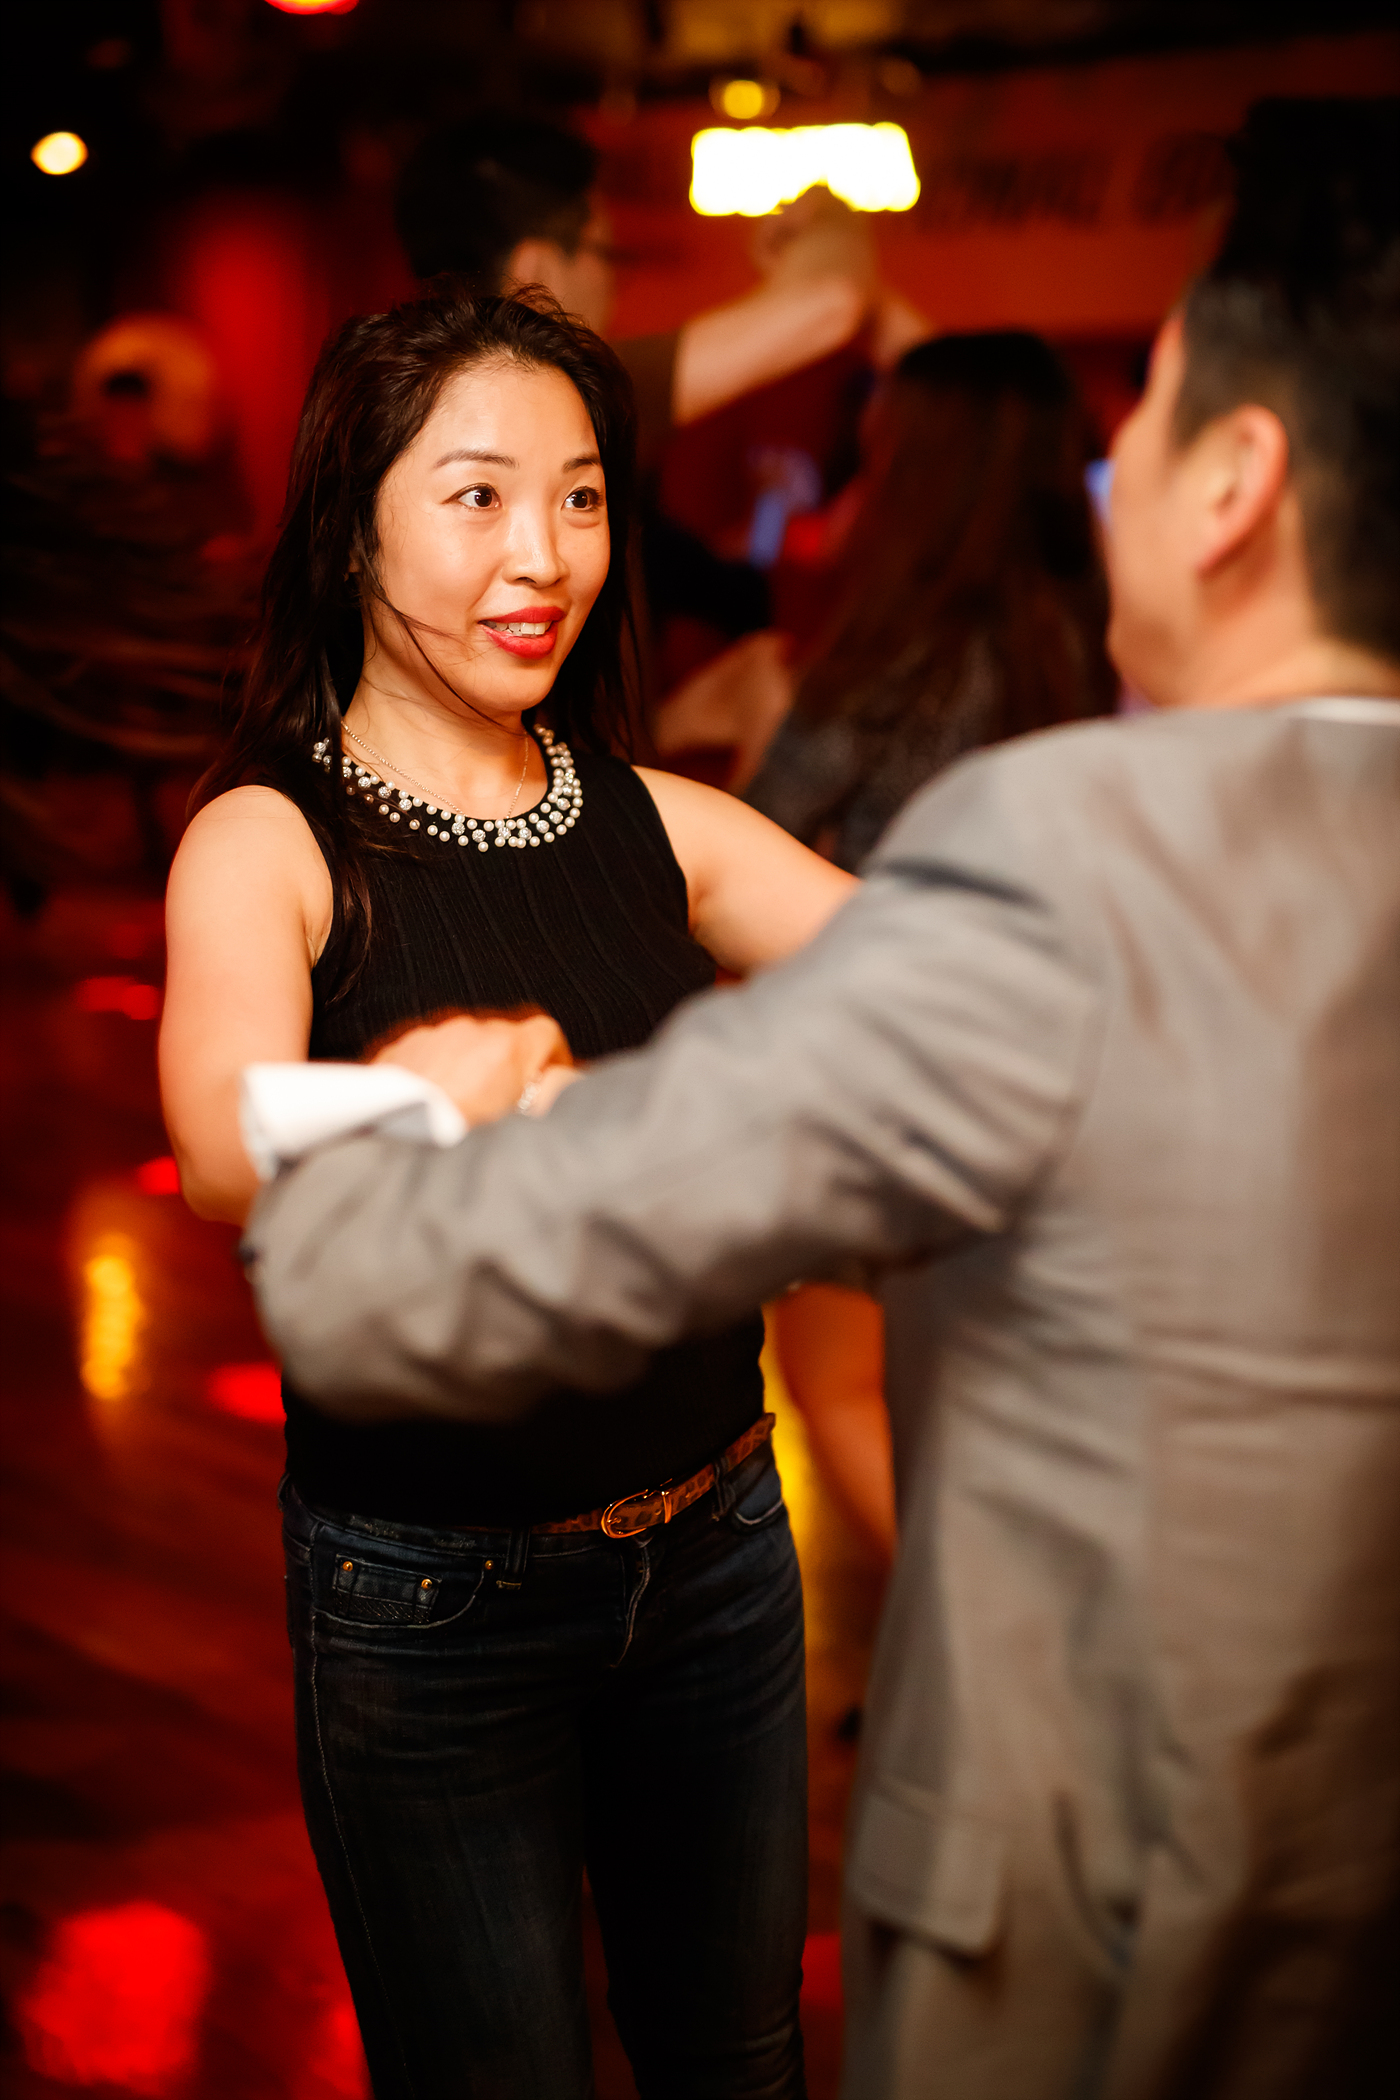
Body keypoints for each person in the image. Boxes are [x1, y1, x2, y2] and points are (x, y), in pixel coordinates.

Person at [244, 99, 1400, 2097]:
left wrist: (411, 1124)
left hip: (1124, 1922)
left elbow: (401, 1273)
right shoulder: (280, 834)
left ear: (1234, 484)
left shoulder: (1061, 856)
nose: (1104, 471)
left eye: (1140, 418)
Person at [159, 284, 853, 2098]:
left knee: (742, 2061)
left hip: (716, 1553)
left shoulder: (655, 819)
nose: (543, 555)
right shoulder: (269, 839)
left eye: (583, 497)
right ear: (354, 524)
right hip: (430, 1605)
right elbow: (221, 1146)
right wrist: (411, 1102)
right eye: (477, 496)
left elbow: (940, 982)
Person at [741, 331, 1117, 1560]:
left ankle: (998, 1635)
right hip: (1052, 1057)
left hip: (891, 1061)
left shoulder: (893, 657)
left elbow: (756, 843)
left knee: (835, 1377)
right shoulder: (1088, 633)